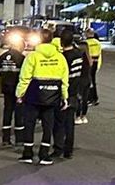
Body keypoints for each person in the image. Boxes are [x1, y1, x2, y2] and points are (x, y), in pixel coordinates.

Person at [15, 29, 68, 165]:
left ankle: (28, 153)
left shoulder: (33, 56)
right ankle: (44, 154)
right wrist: (64, 97)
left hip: (34, 94)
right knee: (48, 125)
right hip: (52, 95)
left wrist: (20, 94)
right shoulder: (60, 57)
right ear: (52, 39)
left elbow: (25, 77)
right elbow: (64, 79)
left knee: (29, 124)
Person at [53, 27, 91, 159]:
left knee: (59, 122)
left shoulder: (61, 58)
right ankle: (68, 150)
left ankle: (58, 148)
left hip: (64, 92)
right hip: (76, 91)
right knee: (70, 122)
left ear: (61, 43)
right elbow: (86, 72)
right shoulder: (81, 54)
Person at [0, 34, 25, 146]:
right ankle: (19, 139)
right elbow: (25, 76)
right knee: (19, 114)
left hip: (6, 89)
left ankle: (5, 138)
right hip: (18, 89)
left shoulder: (2, 57)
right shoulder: (22, 58)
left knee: (7, 112)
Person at [85, 28, 102, 105]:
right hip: (95, 62)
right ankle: (95, 98)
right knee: (93, 81)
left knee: (88, 81)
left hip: (88, 63)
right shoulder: (98, 42)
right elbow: (99, 53)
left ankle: (90, 98)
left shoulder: (86, 43)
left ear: (88, 34)